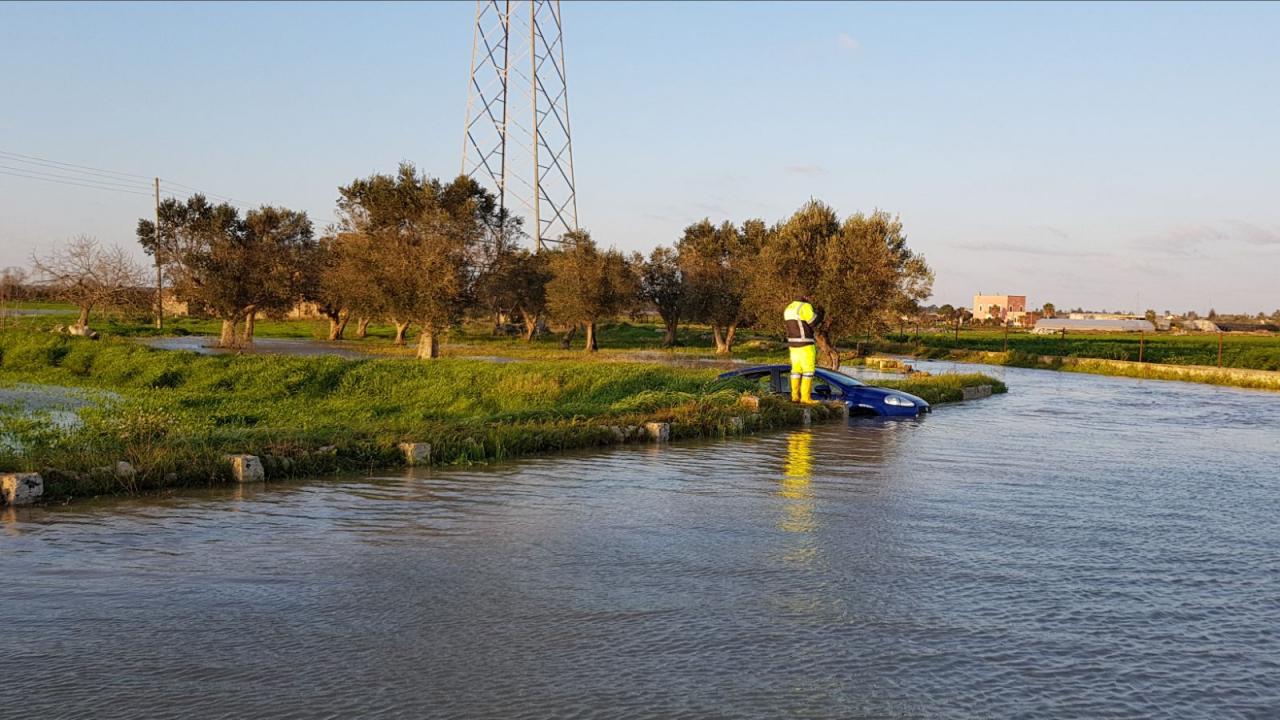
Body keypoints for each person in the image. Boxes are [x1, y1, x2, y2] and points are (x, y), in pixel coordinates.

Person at [783, 295, 823, 404]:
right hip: (805, 343)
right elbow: (813, 322)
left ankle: (795, 397)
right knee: (808, 371)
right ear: (805, 297)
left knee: (796, 371)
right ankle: (806, 398)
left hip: (793, 344)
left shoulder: (788, 308)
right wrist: (820, 313)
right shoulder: (804, 306)